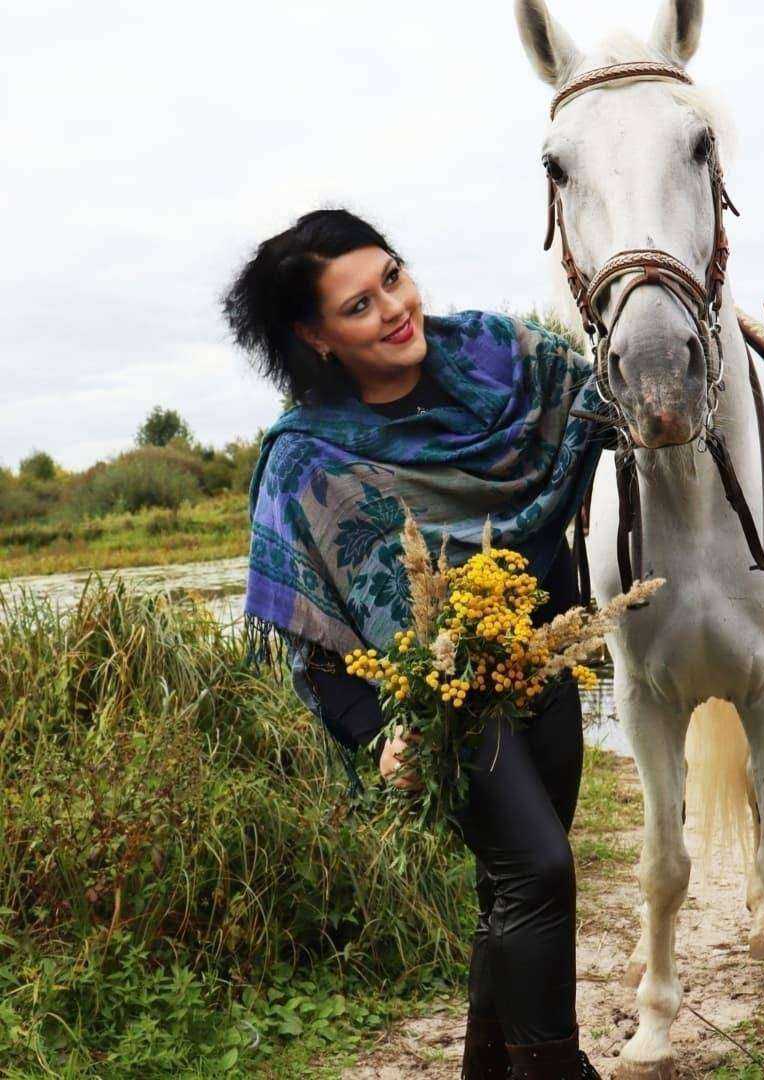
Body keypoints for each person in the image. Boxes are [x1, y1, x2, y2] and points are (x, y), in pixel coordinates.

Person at [222, 209, 608, 1079]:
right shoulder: (309, 458)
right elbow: (311, 627)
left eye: (392, 277)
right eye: (359, 307)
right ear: (316, 337)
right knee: (538, 871)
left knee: (510, 891)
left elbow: (609, 405)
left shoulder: (504, 354)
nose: (395, 309)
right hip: (433, 705)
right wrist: (375, 728)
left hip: (538, 662)